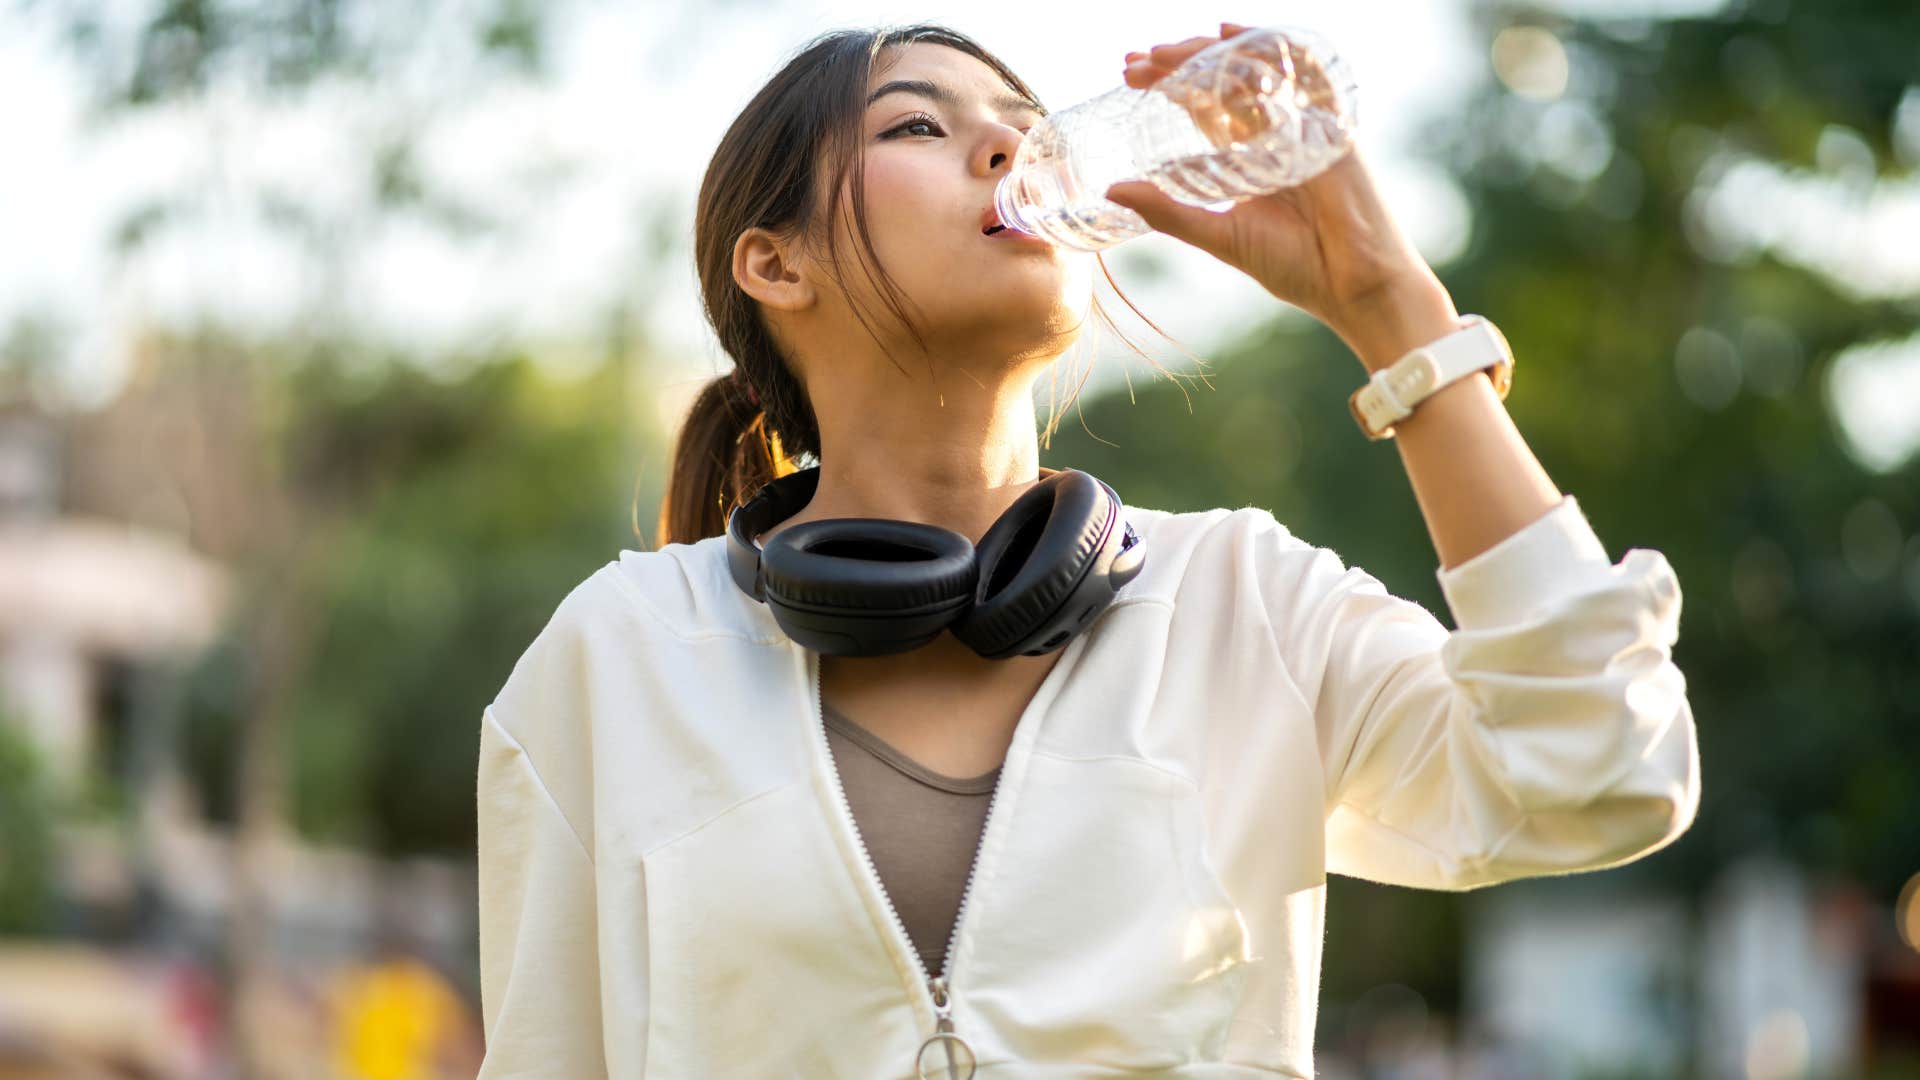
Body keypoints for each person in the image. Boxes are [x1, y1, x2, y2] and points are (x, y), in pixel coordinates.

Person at [474, 20, 1701, 1079]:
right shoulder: (614, 656)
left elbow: (1600, 767)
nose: (1010, 148)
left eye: (1023, 121)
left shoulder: (1246, 603)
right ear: (773, 260)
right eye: (916, 128)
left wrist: (1384, 301)